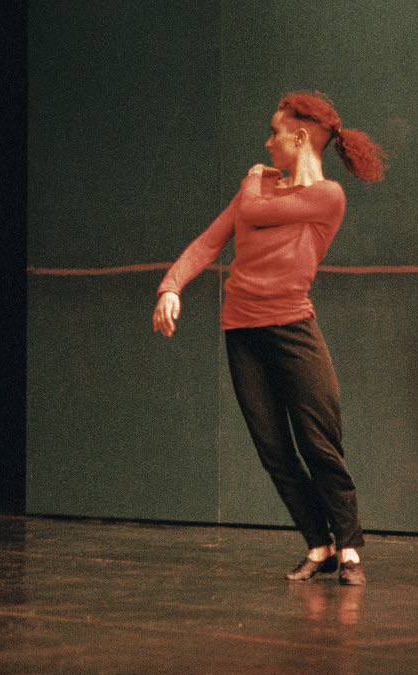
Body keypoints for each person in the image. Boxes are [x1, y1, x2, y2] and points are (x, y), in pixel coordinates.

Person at [153, 91, 387, 586]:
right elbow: (210, 241)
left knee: (320, 445)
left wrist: (250, 180)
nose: (266, 143)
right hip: (241, 330)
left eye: (274, 132)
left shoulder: (327, 196)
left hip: (293, 329)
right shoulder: (258, 187)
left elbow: (257, 212)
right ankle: (318, 544)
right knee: (273, 450)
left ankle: (349, 549)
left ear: (299, 138)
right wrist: (171, 286)